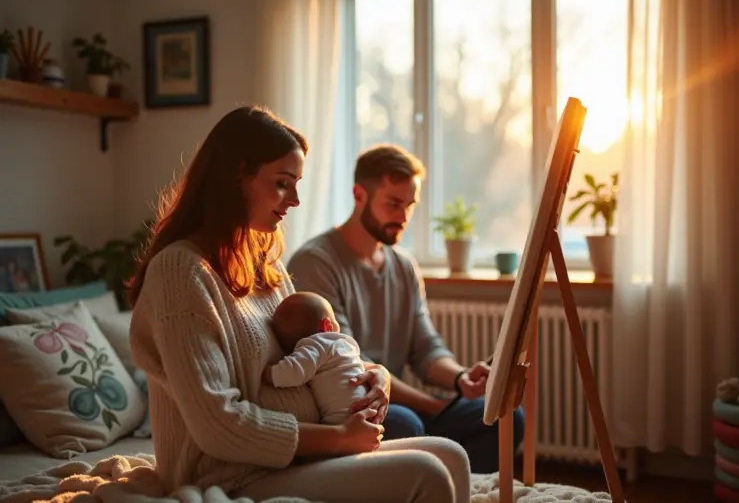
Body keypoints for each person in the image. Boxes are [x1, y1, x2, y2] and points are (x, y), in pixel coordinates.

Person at [127, 107, 471, 503]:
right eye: (282, 183)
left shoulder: (263, 262)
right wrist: (338, 438)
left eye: (296, 184)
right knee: (425, 473)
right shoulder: (180, 271)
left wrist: (376, 377)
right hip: (232, 474)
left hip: (295, 459)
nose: (294, 200)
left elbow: (317, 347)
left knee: (450, 455)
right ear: (237, 176)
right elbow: (217, 425)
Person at [287, 143, 525, 474]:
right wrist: (433, 405)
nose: (403, 217)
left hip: (402, 404)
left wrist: (460, 379)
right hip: (351, 412)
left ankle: (459, 491)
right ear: (359, 195)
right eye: (393, 204)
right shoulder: (316, 262)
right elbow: (348, 363)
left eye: (409, 206)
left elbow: (426, 349)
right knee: (405, 423)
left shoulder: (404, 267)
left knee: (505, 415)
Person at [263, 291, 367, 426]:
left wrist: (269, 373)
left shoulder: (318, 346)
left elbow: (293, 371)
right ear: (327, 326)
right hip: (363, 408)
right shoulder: (334, 344)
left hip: (342, 418)